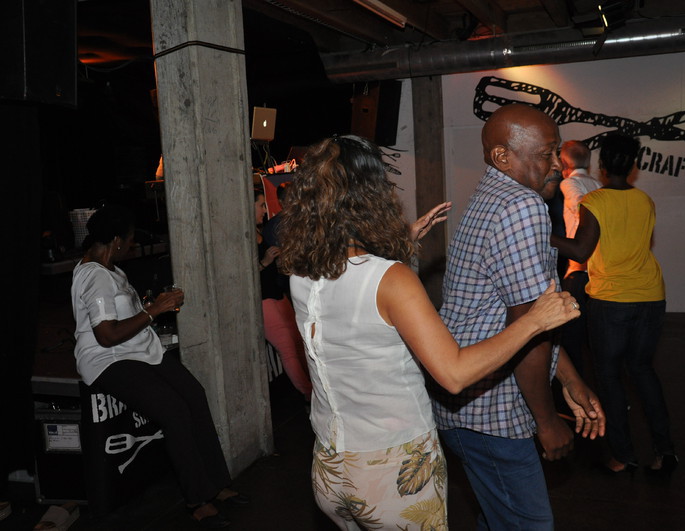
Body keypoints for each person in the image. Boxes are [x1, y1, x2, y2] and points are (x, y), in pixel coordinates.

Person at [277, 134, 589, 530]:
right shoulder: (392, 280)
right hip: (393, 469)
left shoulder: (302, 271)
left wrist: (401, 245)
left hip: (330, 466)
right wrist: (534, 320)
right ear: (373, 195)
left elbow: (356, 294)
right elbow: (454, 374)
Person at [433, 104, 606, 531]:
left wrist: (569, 379)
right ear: (502, 157)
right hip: (491, 411)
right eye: (546, 155)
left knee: (498, 519)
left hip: (467, 408)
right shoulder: (522, 206)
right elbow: (529, 325)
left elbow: (530, 315)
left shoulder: (493, 196)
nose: (556, 166)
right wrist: (547, 422)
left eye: (556, 154)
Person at [71, 205, 246, 529]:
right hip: (108, 359)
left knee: (194, 395)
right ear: (116, 240)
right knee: (174, 411)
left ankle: (215, 482)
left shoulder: (111, 269)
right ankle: (197, 499)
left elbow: (125, 317)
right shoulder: (94, 276)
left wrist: (154, 306)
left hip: (138, 349)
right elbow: (107, 336)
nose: (132, 245)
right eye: (130, 239)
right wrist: (154, 310)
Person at [553, 133, 677, 477]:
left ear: (603, 166)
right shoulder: (645, 200)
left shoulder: (594, 201)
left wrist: (540, 233)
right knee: (643, 370)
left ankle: (623, 457)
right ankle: (665, 450)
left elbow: (580, 250)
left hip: (611, 300)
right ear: (633, 165)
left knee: (609, 376)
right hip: (650, 295)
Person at [254, 188, 312, 400]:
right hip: (262, 299)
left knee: (298, 341)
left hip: (277, 293)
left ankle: (314, 391)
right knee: (287, 346)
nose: (264, 210)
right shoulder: (245, 236)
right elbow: (239, 276)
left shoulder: (260, 232)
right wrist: (265, 262)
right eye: (261, 205)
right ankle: (308, 394)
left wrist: (277, 263)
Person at [558, 140, 601, 375]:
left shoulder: (569, 183)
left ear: (565, 164)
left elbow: (579, 204)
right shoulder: (597, 184)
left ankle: (576, 384)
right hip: (595, 268)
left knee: (572, 336)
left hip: (578, 269)